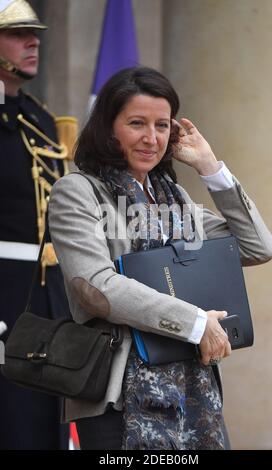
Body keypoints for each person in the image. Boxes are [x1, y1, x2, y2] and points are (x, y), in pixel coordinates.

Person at [48, 66, 272, 450]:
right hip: (118, 395)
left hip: (194, 394)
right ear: (108, 128)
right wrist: (195, 323)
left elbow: (256, 246)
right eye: (137, 123)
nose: (151, 138)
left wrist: (210, 168)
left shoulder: (175, 199)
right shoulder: (78, 192)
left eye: (162, 125)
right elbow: (95, 287)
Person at [0, 0, 71, 449]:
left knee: (43, 427)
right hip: (3, 293)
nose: (33, 42)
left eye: (35, 33)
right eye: (16, 33)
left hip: (46, 300)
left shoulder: (39, 117)